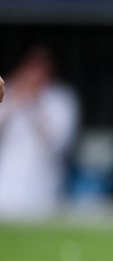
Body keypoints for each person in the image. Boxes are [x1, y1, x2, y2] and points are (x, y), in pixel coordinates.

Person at [0, 47, 80, 219]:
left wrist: (34, 104)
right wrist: (15, 100)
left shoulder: (61, 99)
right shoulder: (8, 90)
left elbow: (58, 142)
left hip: (42, 185)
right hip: (7, 181)